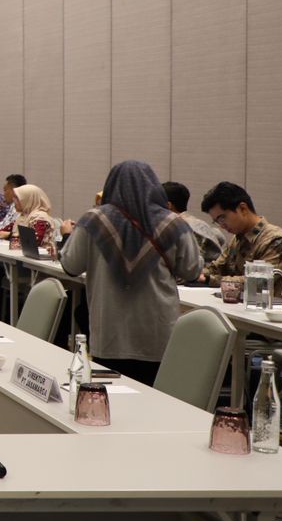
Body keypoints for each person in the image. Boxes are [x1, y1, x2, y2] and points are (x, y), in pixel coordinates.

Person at [59, 161, 202, 386]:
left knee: (110, 393)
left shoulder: (93, 220)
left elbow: (70, 265)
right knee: (153, 394)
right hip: (157, 330)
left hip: (109, 331)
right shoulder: (173, 223)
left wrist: (67, 236)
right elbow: (192, 270)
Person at [199, 182, 282, 295]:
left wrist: (211, 279)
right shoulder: (237, 238)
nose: (222, 226)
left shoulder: (277, 240)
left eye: (222, 218)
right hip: (242, 303)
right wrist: (196, 274)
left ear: (243, 209)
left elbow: (258, 283)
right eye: (217, 222)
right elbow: (216, 269)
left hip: (274, 305)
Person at [162, 181, 228, 266]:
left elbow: (191, 267)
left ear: (168, 205)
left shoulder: (184, 228)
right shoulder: (195, 223)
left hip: (205, 272)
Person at [11, 185, 56, 255]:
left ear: (28, 199)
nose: (14, 201)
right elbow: (3, 232)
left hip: (38, 258)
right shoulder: (23, 216)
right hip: (24, 256)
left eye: (17, 198)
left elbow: (33, 242)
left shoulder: (40, 218)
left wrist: (9, 235)